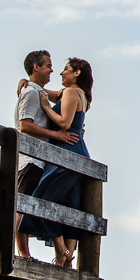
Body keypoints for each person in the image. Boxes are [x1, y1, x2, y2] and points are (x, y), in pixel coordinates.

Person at [17, 57, 93, 267]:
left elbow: (64, 123)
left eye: (66, 69)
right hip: (78, 151)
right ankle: (66, 260)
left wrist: (45, 107)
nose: (60, 73)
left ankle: (63, 255)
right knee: (69, 204)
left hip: (66, 150)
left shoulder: (70, 92)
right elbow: (44, 92)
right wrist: (26, 81)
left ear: (77, 73)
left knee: (43, 200)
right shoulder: (79, 94)